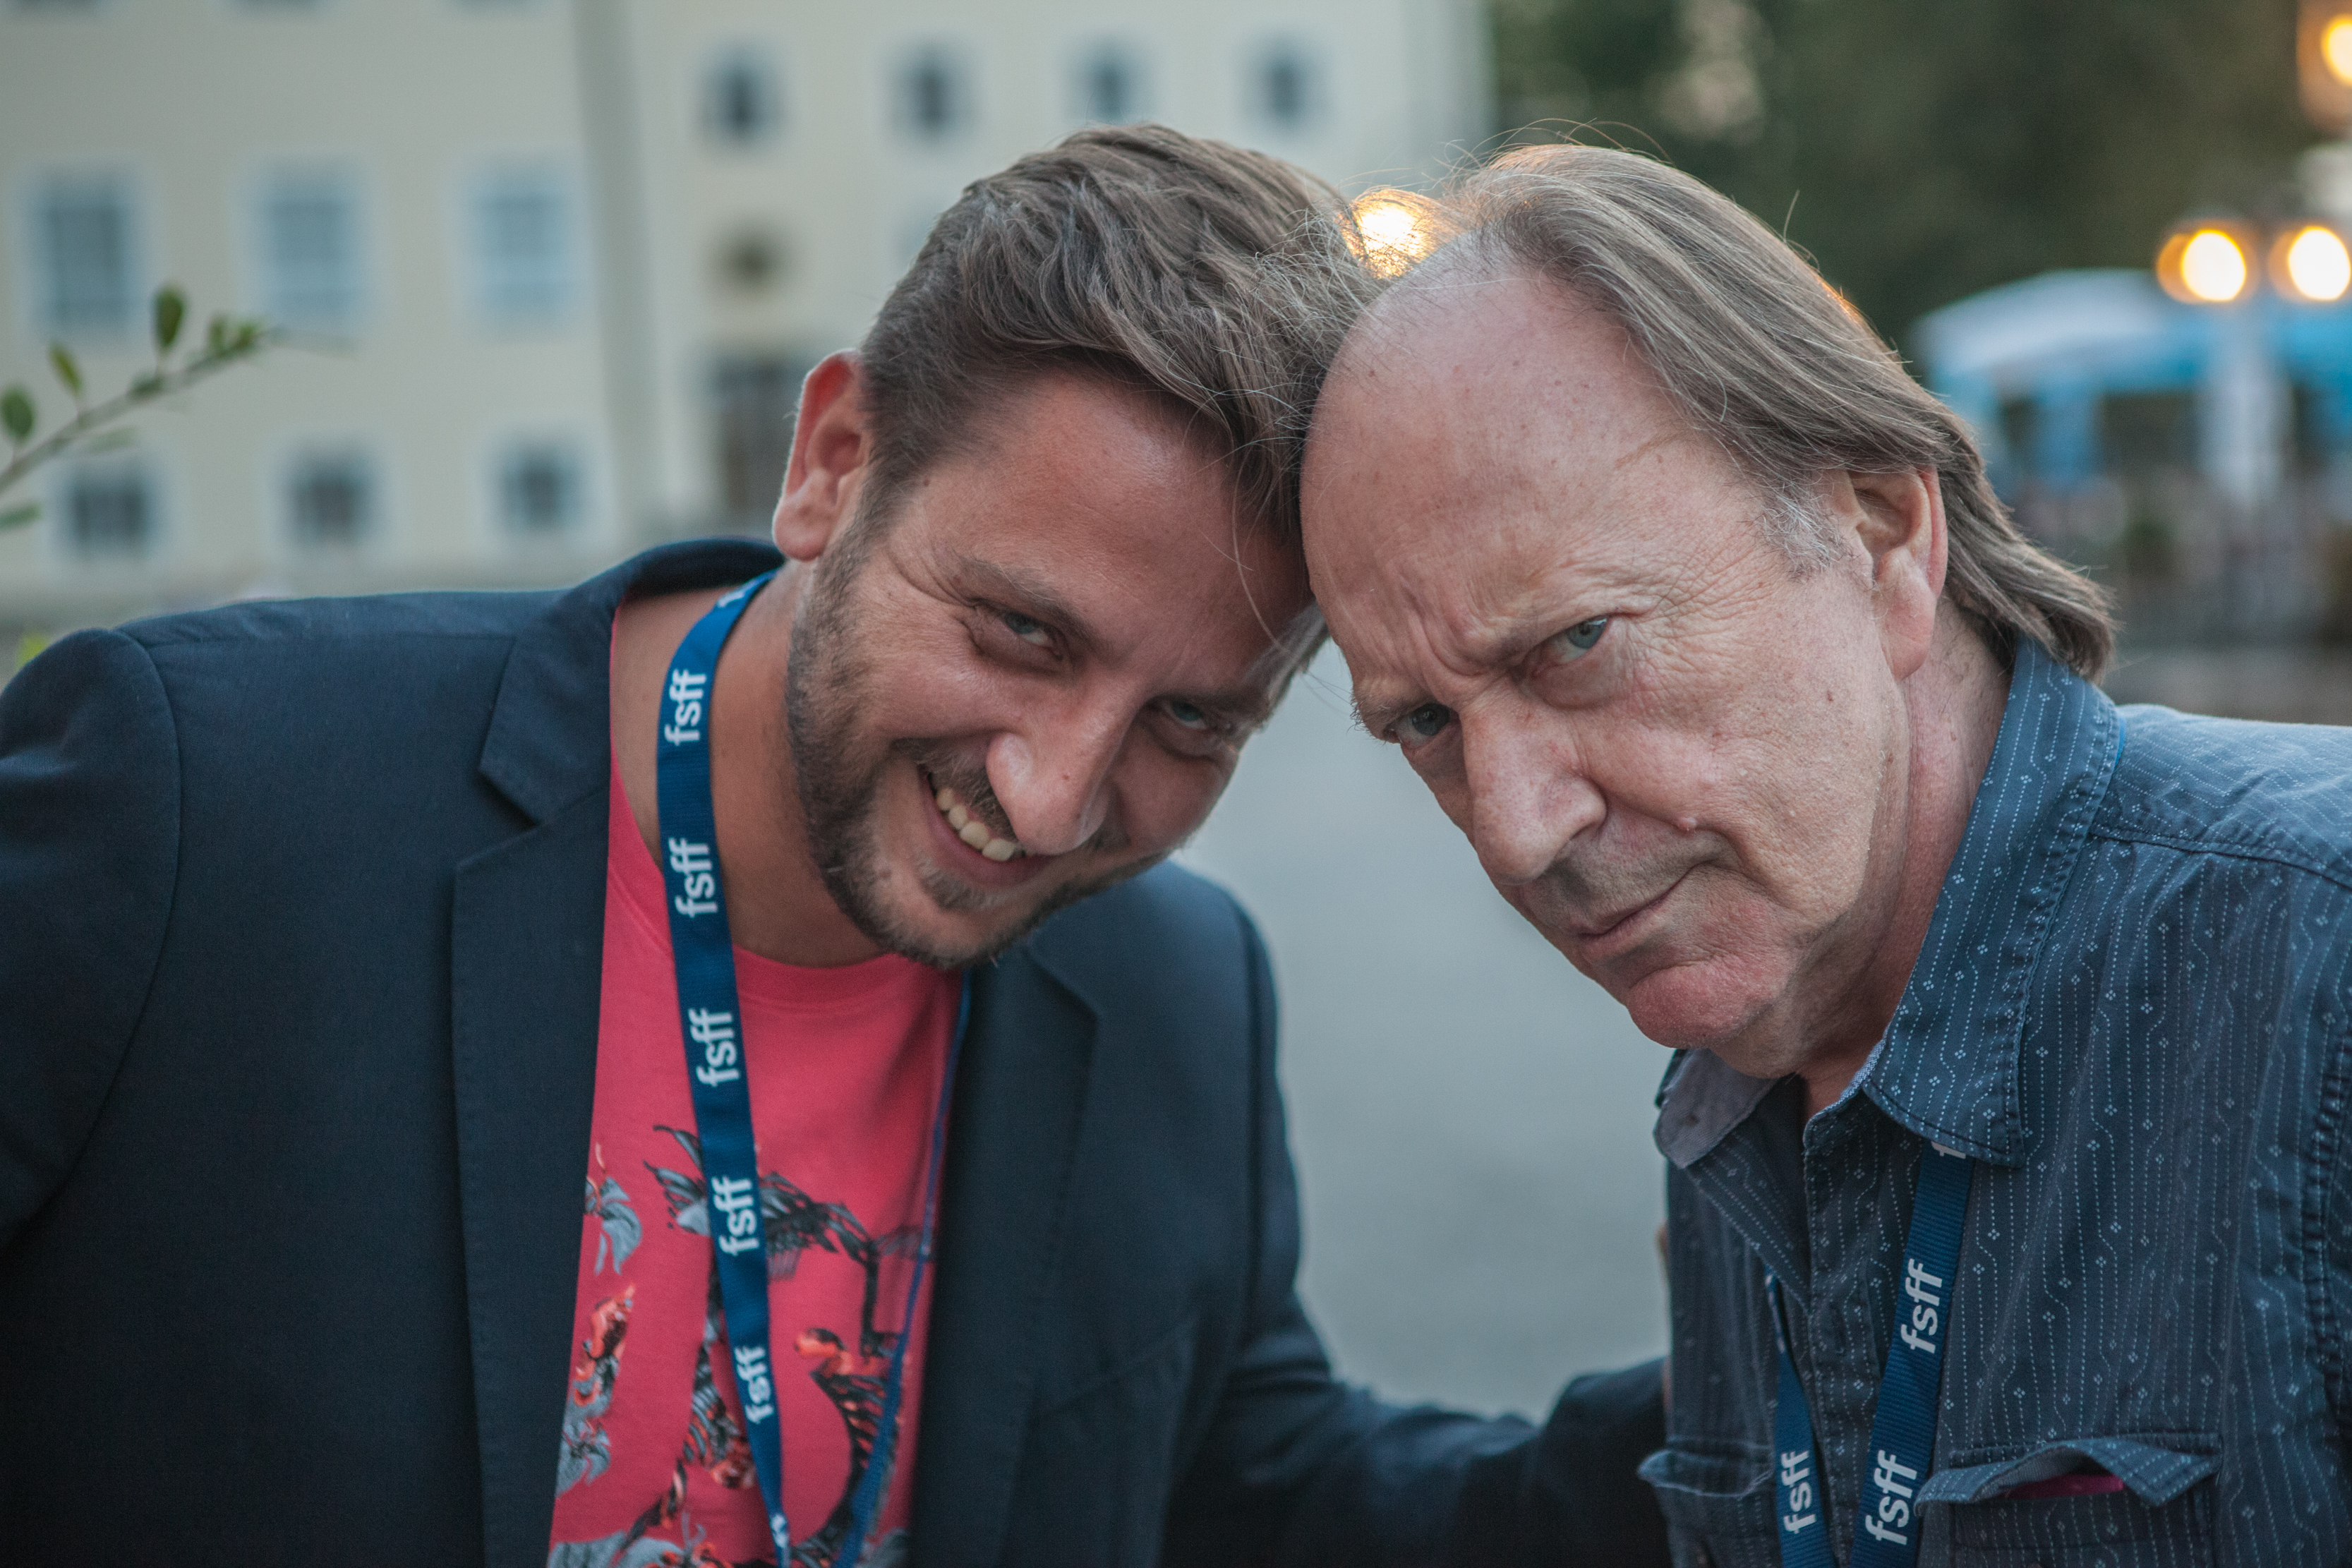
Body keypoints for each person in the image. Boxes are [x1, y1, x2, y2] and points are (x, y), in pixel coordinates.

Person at [0, 127, 1668, 1568]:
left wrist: (1719, 1427)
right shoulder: (202, 799)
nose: (1051, 801)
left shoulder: (1177, 992)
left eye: (1187, 721)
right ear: (830, 464)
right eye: (1019, 631)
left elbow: (1254, 1489)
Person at [1299, 143, 2352, 1568]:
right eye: (1424, 723)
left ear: (1879, 531)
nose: (1513, 828)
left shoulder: (2316, 969)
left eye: (1576, 644)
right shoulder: (1743, 1072)